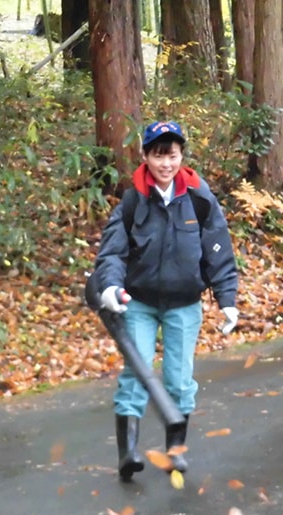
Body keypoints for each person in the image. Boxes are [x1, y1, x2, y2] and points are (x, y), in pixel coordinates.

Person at [93, 120, 239, 481]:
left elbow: (218, 251)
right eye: (158, 156)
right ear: (145, 157)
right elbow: (112, 253)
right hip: (139, 303)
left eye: (172, 156)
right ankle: (128, 454)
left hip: (185, 304)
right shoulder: (132, 202)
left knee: (179, 380)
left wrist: (228, 300)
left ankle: (176, 451)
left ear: (181, 156)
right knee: (136, 373)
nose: (166, 164)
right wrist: (110, 287)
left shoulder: (200, 199)